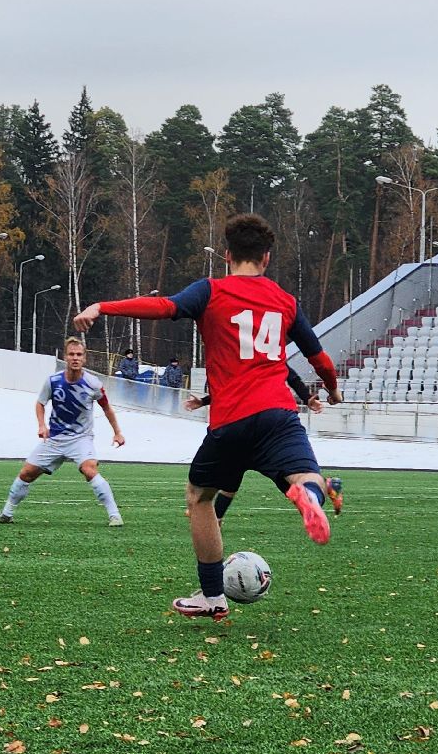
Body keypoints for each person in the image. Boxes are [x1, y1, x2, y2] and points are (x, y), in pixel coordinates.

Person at [72, 213, 341, 621]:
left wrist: (102, 307)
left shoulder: (211, 290)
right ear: (266, 259)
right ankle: (310, 497)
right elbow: (318, 357)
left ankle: (213, 596)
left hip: (231, 419)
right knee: (306, 476)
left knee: (200, 498)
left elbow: (164, 307)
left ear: (228, 255)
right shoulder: (286, 302)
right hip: (278, 414)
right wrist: (333, 389)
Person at [0, 337, 127, 527]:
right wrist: (42, 426)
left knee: (89, 469)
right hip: (55, 439)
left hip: (80, 438)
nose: (75, 358)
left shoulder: (93, 384)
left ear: (84, 358)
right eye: (71, 354)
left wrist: (117, 432)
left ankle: (115, 515)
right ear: (65, 357)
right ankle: (6, 514)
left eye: (79, 354)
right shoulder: (53, 381)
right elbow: (40, 403)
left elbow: (107, 407)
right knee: (26, 473)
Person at [183, 364, 326, 523]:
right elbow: (292, 374)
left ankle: (212, 518)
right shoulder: (268, 353)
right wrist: (307, 397)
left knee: (220, 487)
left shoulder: (235, 356)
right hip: (272, 423)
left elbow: (230, 391)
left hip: (236, 426)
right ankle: (314, 491)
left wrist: (204, 401)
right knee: (296, 480)